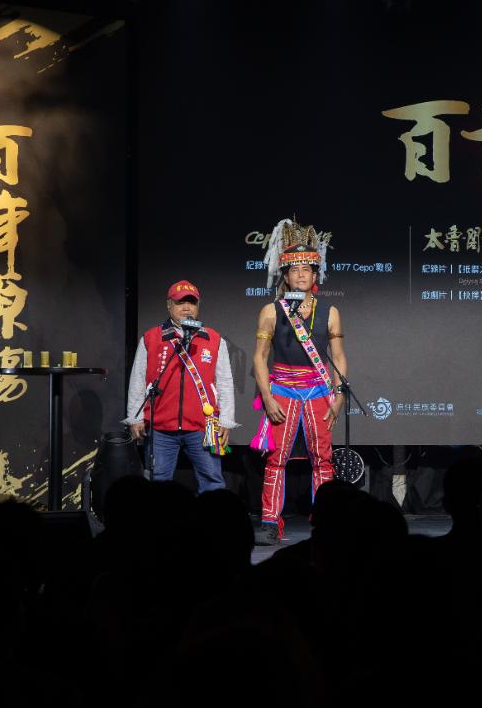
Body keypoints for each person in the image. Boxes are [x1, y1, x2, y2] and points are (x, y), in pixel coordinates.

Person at [252, 219, 346, 546]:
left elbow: (339, 357)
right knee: (276, 458)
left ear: (315, 275)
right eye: (295, 270)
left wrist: (338, 396)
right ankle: (269, 522)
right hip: (282, 389)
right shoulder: (271, 311)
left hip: (319, 390)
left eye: (307, 269)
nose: (302, 275)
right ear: (286, 275)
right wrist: (267, 397)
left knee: (323, 459)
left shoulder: (330, 312)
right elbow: (259, 358)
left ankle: (327, 521)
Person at [124, 280, 235, 493]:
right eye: (180, 302)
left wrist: (226, 420)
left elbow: (225, 382)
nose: (186, 308)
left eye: (191, 303)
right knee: (157, 483)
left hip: (203, 426)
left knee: (212, 482)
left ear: (198, 306)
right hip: (160, 427)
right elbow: (138, 379)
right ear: (169, 306)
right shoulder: (151, 338)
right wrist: (135, 417)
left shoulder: (213, 339)